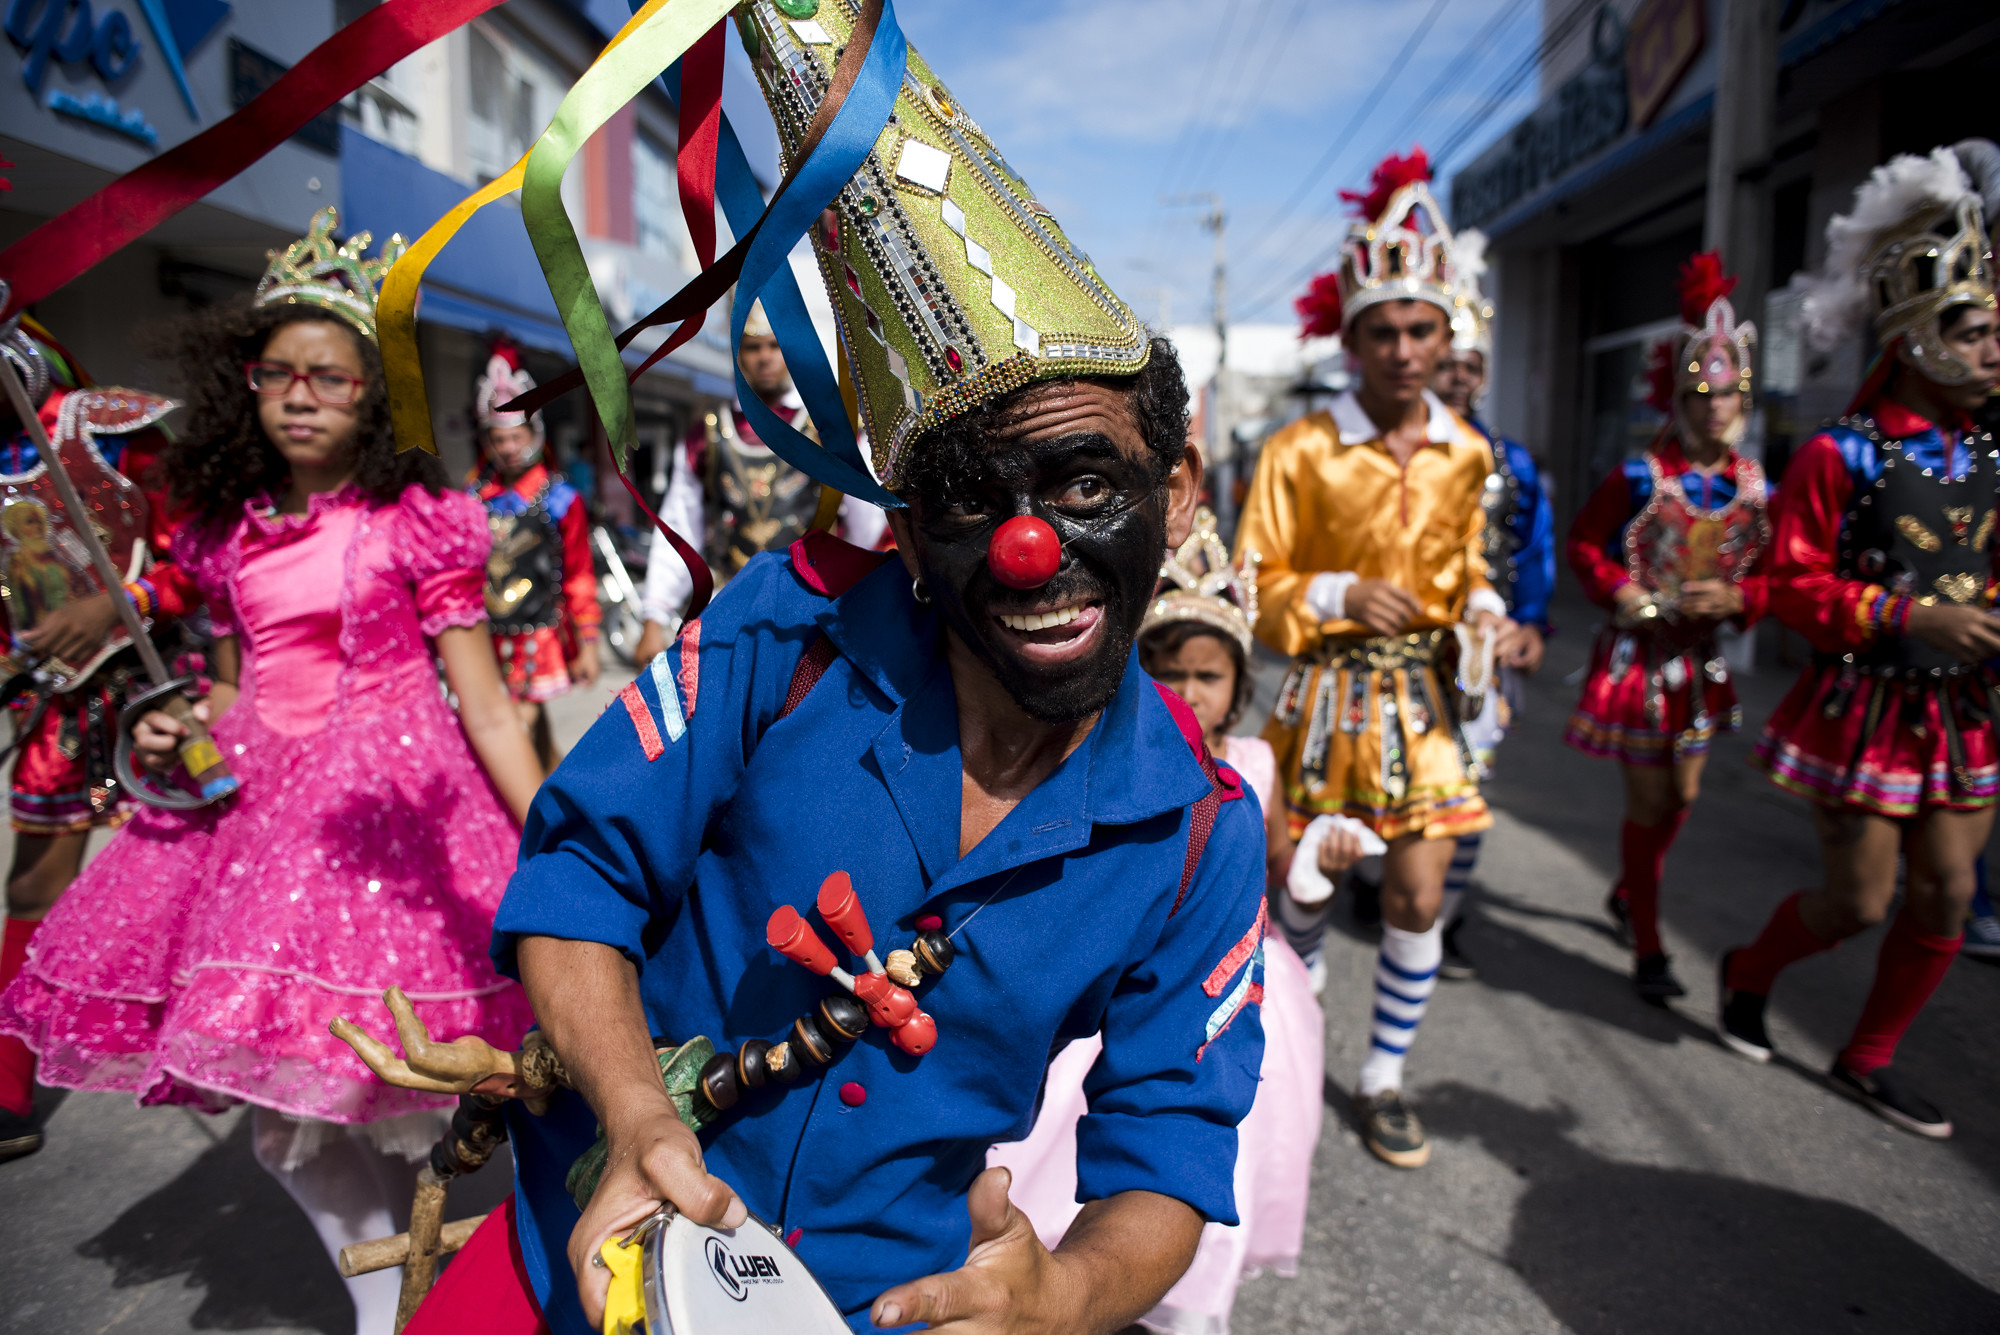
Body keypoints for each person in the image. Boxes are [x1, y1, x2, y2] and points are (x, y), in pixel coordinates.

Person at [343, 15, 1270, 1334]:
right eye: (969, 499)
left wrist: (1062, 1293)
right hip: (582, 1249)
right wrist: (636, 1114)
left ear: (1175, 491)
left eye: (1084, 481)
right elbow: (579, 880)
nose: (1030, 547)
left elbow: (1170, 1130)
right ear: (901, 525)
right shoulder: (782, 635)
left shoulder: (1200, 834)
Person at [0, 208, 544, 1331]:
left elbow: (486, 703)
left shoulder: (417, 523)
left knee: (367, 1099)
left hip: (386, 821)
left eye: (330, 378)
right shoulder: (230, 535)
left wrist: (567, 836)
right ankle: (406, 1301)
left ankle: (403, 1305)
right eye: (278, 373)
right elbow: (237, 692)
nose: (299, 394)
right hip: (259, 824)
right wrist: (175, 725)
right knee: (302, 1114)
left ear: (370, 396)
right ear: (246, 384)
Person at [987, 508, 1348, 1333]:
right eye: (1169, 670)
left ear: (1239, 687)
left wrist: (1317, 877)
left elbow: (1284, 879)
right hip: (1132, 975)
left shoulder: (1254, 765)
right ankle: (1064, 1268)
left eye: (1208, 677)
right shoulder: (1115, 759)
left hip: (1239, 987)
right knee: (1068, 1132)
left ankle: (1180, 1294)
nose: (1188, 692)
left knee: (1222, 1137)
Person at [1236, 147, 1522, 1171]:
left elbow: (1468, 567)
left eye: (1420, 330)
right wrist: (1333, 592)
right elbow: (1247, 591)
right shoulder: (1297, 449)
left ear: (1449, 335)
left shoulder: (1469, 450)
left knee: (1416, 896)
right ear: (1349, 339)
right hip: (1320, 701)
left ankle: (1381, 1077)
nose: (1403, 351)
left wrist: (1486, 612)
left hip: (1425, 705)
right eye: (1382, 332)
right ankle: (1291, 1061)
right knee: (1303, 894)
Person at [1720, 142, 2000, 1139]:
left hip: (1959, 710)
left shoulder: (1989, 451)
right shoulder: (1841, 453)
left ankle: (1866, 1057)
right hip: (1864, 708)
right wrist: (1907, 616)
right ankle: (1746, 972)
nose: (1989, 354)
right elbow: (1786, 586)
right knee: (1857, 900)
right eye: (1970, 333)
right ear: (1915, 329)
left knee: (1949, 892)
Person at [0, 305, 202, 1163]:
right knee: (35, 885)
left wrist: (116, 606)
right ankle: (9, 1076)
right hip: (44, 704)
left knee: (185, 874)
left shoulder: (117, 434)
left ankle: (205, 1043)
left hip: (149, 696)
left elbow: (197, 562)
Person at [1565, 252, 1771, 1003]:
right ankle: (1649, 947)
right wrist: (1626, 594)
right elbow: (1585, 545)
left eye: (1727, 393)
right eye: (1700, 394)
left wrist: (1742, 600)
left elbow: (1781, 571)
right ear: (1677, 397)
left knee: (1680, 800)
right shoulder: (1637, 477)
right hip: (1638, 663)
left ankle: (1628, 892)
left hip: (1701, 663)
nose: (1714, 406)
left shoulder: (1756, 486)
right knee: (1649, 804)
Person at [1427, 229, 1554, 981]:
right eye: (1448, 365)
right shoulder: (1383, 454)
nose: (1459, 380)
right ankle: (1391, 891)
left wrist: (1533, 625)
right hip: (1400, 651)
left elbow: (1530, 551)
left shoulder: (1513, 463)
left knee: (1473, 784)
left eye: (1471, 368)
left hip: (1484, 653)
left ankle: (1446, 915)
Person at [633, 301, 886, 659]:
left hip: (815, 615)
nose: (765, 357)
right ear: (737, 353)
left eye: (774, 345)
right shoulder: (705, 435)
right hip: (729, 617)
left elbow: (868, 525)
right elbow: (679, 524)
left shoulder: (830, 428)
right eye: (753, 347)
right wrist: (654, 616)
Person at [469, 339, 601, 767]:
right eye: (498, 438)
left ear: (535, 432)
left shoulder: (561, 498)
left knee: (516, 730)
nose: (507, 447)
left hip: (537, 635)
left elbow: (579, 573)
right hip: (486, 636)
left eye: (516, 436)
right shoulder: (472, 499)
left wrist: (589, 644)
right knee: (516, 731)